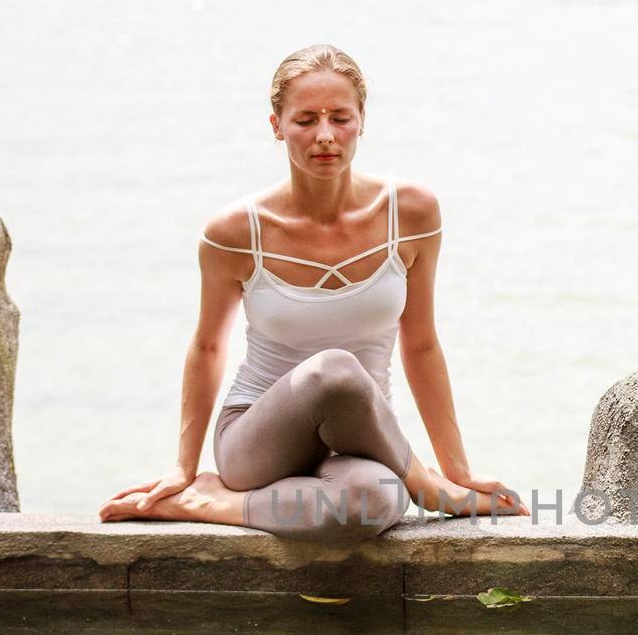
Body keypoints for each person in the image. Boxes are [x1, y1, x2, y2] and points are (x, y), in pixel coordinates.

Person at [100, 43, 529, 542]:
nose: (325, 136)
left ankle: (212, 503)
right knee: (335, 370)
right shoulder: (236, 231)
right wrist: (182, 465)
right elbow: (208, 346)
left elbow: (422, 344)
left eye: (340, 118)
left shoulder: (411, 215)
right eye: (305, 120)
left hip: (364, 444)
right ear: (276, 125)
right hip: (257, 439)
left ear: (362, 120)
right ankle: (424, 486)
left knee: (368, 506)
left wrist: (460, 470)